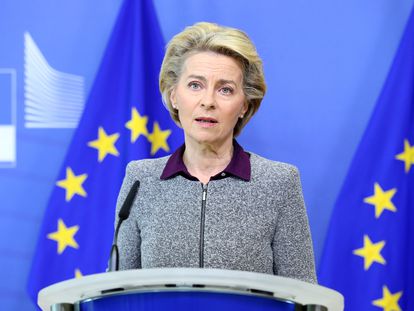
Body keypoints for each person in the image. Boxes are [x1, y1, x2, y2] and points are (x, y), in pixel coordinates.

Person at [114, 22, 317, 284]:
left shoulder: (279, 182)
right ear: (174, 95)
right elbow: (119, 292)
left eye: (225, 89)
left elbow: (304, 295)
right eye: (195, 85)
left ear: (244, 104)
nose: (208, 101)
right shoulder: (140, 179)